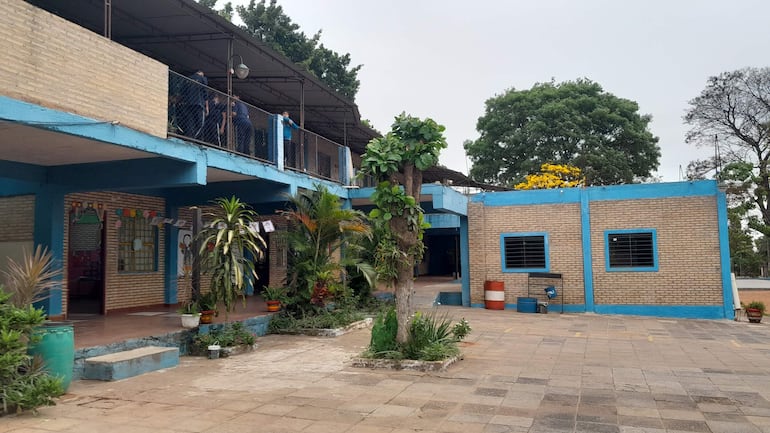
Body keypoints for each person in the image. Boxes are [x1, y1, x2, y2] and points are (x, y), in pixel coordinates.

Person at [179, 69, 208, 139]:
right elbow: (205, 93)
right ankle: (198, 139)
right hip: (199, 103)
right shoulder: (203, 79)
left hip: (188, 103)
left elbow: (182, 91)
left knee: (190, 121)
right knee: (200, 123)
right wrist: (207, 106)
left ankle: (189, 138)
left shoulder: (187, 79)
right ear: (201, 73)